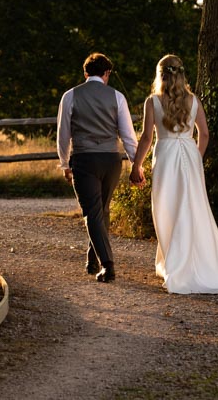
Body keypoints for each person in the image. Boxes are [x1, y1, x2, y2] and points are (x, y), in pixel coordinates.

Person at [130, 55, 218, 295]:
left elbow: (147, 138)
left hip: (166, 155)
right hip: (189, 155)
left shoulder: (153, 101)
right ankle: (183, 261)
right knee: (193, 208)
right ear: (182, 74)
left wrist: (136, 166)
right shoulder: (194, 101)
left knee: (166, 208)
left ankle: (174, 264)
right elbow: (204, 133)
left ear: (160, 74)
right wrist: (196, 158)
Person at [56, 52, 138, 283]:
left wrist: (64, 163)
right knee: (101, 210)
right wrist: (135, 164)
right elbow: (128, 136)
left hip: (85, 159)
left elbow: (63, 135)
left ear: (85, 73)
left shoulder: (70, 96)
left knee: (93, 213)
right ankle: (93, 259)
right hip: (112, 160)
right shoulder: (117, 97)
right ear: (107, 73)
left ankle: (108, 266)